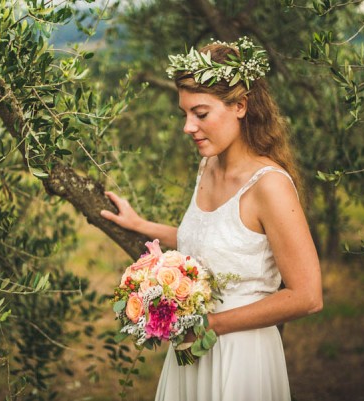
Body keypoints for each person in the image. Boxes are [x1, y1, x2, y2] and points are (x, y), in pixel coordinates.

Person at [100, 37, 322, 401]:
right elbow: (218, 243)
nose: (188, 127)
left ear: (240, 105)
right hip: (192, 351)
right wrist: (142, 226)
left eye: (200, 114)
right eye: (184, 114)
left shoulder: (270, 186)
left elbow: (308, 296)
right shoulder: (208, 166)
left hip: (241, 357)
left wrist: (209, 325)